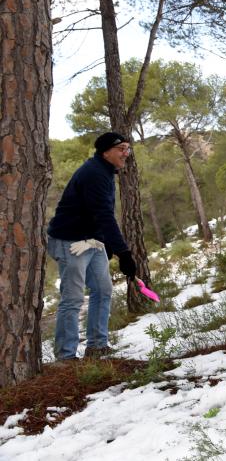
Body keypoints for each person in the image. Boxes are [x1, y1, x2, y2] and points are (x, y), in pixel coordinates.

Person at [47, 132, 137, 361]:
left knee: (103, 290)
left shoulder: (105, 171)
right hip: (70, 242)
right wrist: (123, 252)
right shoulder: (94, 174)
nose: (126, 153)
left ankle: (97, 346)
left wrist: (105, 242)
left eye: (127, 148)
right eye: (121, 149)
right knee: (73, 298)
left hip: (91, 240)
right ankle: (65, 357)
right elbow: (104, 215)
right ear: (106, 152)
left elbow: (96, 213)